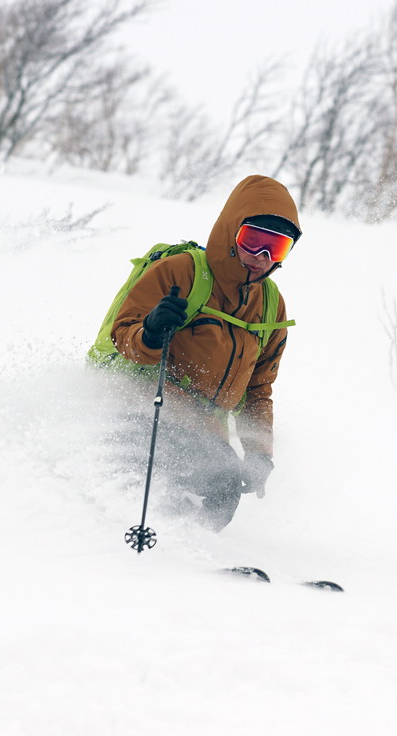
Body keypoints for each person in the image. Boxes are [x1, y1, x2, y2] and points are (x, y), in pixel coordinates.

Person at [99, 175, 300, 532]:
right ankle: (128, 545)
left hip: (205, 429)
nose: (262, 257)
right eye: (252, 241)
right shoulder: (182, 271)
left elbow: (257, 391)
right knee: (168, 488)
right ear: (230, 233)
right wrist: (151, 331)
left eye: (277, 248)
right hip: (142, 408)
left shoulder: (271, 305)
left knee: (223, 489)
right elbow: (122, 335)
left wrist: (258, 452)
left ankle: (191, 557)